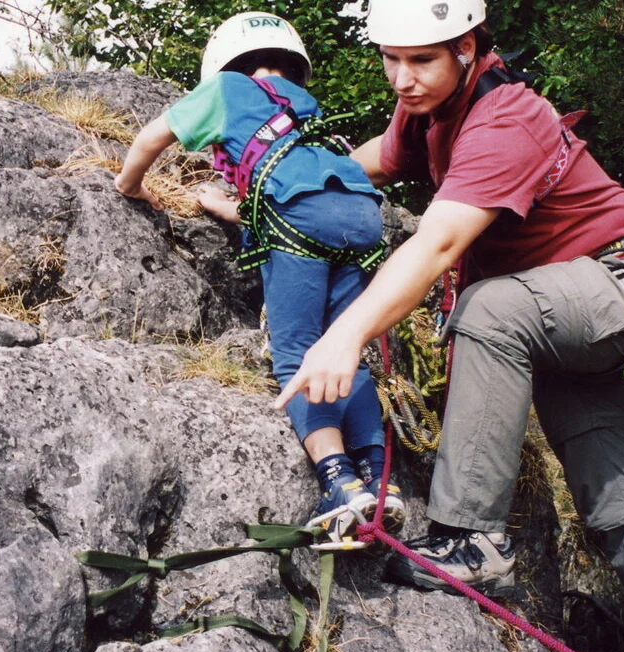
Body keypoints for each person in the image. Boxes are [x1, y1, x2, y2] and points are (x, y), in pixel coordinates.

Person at [272, 0, 624, 652]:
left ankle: (473, 540)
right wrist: (277, 176)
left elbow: (440, 243)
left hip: (619, 284)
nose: (402, 78)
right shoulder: (427, 112)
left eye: (420, 59)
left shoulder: (506, 116)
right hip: (558, 309)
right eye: (391, 59)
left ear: (468, 47)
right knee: (613, 496)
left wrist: (345, 336)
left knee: (485, 308)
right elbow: (374, 164)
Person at [113, 11, 405, 541]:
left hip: (300, 222)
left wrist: (129, 184)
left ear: (224, 64)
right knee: (346, 347)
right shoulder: (300, 102)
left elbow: (151, 139)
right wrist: (232, 211)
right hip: (361, 214)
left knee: (298, 353)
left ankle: (338, 481)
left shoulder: (226, 90)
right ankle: (381, 481)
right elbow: (290, 176)